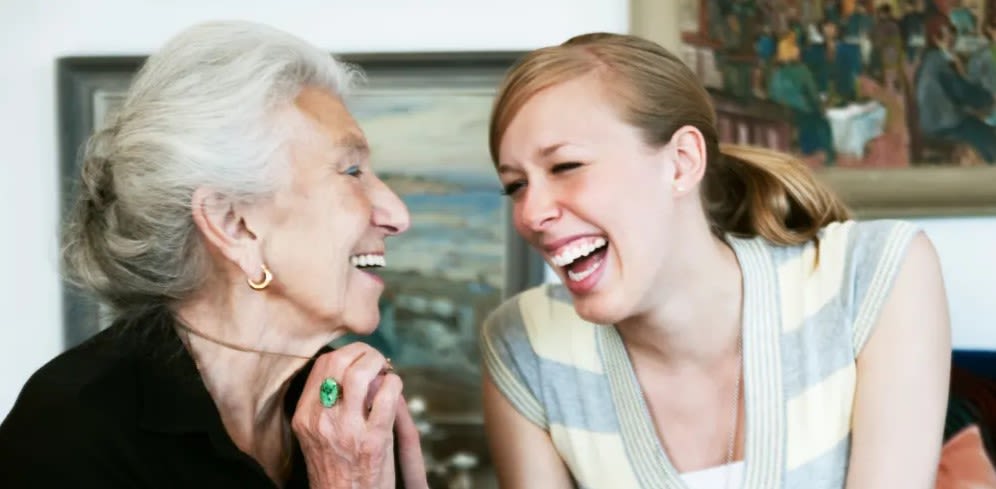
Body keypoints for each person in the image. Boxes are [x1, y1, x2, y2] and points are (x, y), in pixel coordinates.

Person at [479, 32, 951, 488]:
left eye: (565, 166)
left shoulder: (876, 274)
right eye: (516, 185)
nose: (532, 213)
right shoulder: (526, 343)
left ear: (682, 162)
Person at [0, 21, 429, 489]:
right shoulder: (70, 434)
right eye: (352, 171)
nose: (397, 214)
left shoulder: (346, 418)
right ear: (233, 225)